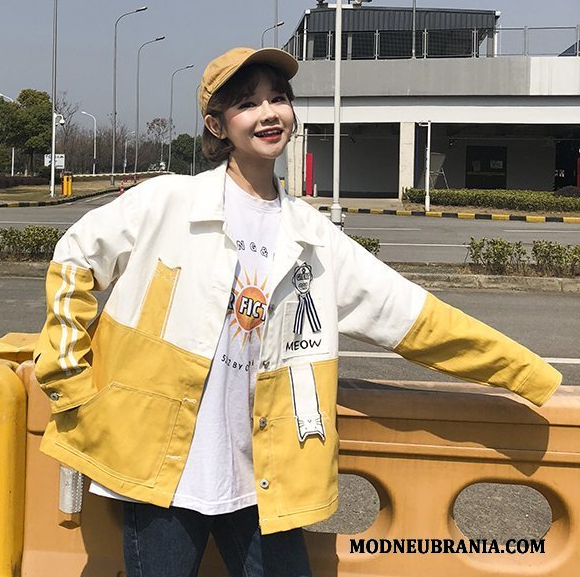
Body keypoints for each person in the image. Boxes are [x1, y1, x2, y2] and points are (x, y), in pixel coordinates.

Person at [34, 46, 561, 577]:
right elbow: (75, 260)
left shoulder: (315, 239)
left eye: (278, 98)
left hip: (264, 468)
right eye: (247, 103)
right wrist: (66, 377)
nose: (268, 113)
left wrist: (530, 375)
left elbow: (416, 319)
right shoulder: (167, 202)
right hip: (154, 461)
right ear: (217, 125)